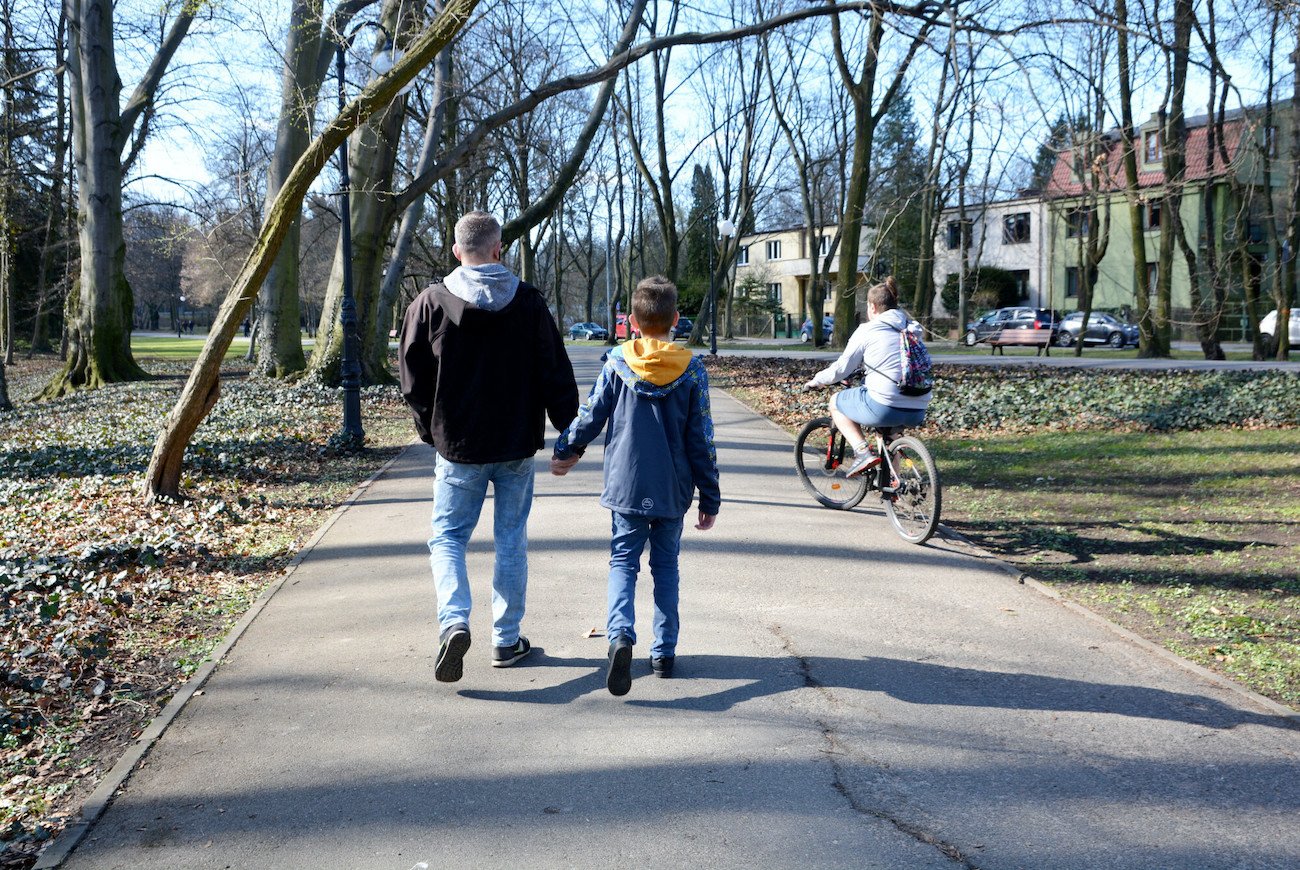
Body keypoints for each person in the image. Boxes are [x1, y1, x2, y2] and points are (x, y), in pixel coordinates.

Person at [399, 211, 579, 683]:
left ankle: (455, 621)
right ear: (499, 250)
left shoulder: (430, 304)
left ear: (457, 252)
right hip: (516, 445)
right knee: (511, 541)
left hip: (458, 445)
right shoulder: (529, 303)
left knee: (448, 538)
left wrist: (429, 430)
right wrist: (569, 436)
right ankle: (505, 639)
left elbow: (412, 381)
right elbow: (555, 373)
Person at [550, 276, 720, 697]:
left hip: (627, 485)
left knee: (623, 563)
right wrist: (709, 495)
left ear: (632, 322)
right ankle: (663, 652)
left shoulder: (616, 363)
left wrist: (566, 449)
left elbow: (591, 414)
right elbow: (702, 438)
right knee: (666, 567)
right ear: (676, 320)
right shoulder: (692, 370)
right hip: (672, 489)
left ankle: (620, 636)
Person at [804, 276, 930, 477]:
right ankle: (893, 490)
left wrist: (817, 381)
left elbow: (842, 368)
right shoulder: (912, 328)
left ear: (872, 307)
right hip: (918, 405)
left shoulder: (867, 330)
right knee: (889, 437)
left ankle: (862, 453)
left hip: (885, 405)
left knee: (836, 402)